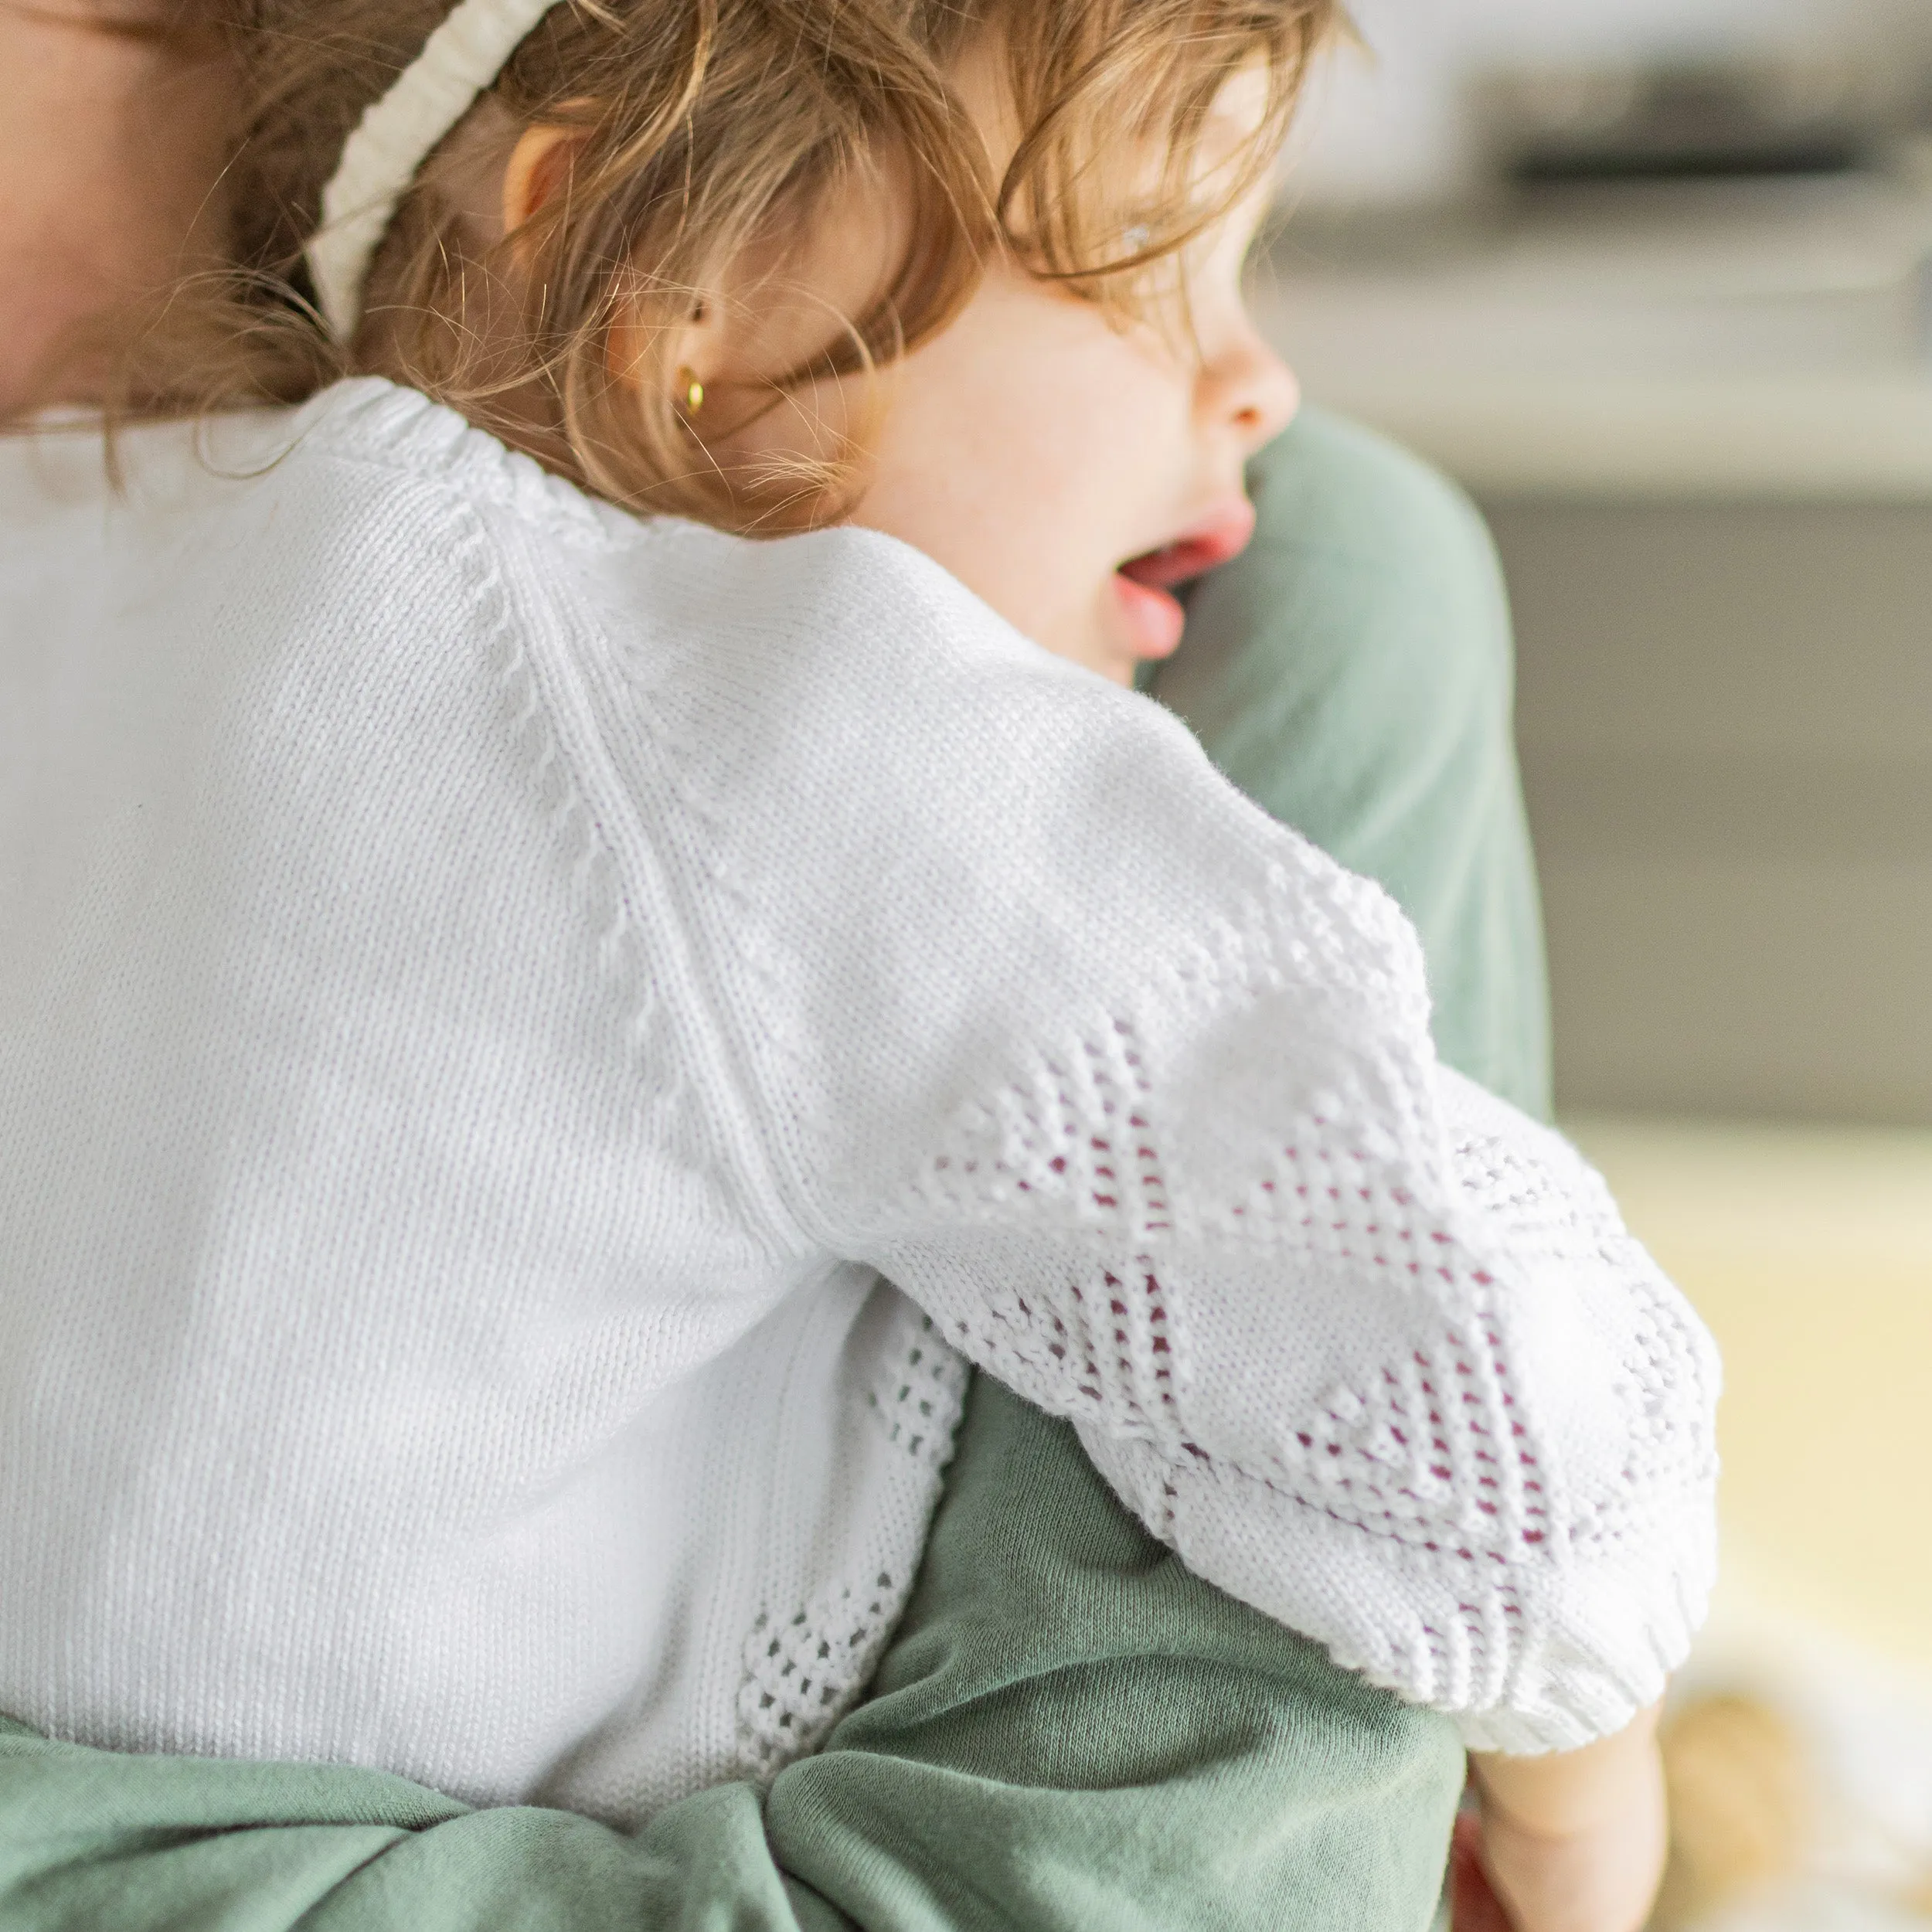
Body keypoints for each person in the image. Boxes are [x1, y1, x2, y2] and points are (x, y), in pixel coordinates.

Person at [0, 2, 1713, 1927]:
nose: (1259, 386)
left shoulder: (70, 540)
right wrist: (1580, 1781)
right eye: (1145, 257)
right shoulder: (798, 719)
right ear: (663, 268)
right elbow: (1471, 1383)